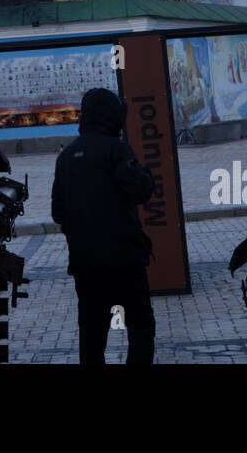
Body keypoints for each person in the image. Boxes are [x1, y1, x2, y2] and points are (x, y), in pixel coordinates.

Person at [51, 87, 155, 364]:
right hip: (125, 261)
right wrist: (143, 172)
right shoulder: (116, 150)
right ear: (113, 115)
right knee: (140, 327)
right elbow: (141, 191)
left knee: (92, 334)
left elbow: (57, 212)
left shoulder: (65, 157)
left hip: (85, 264)